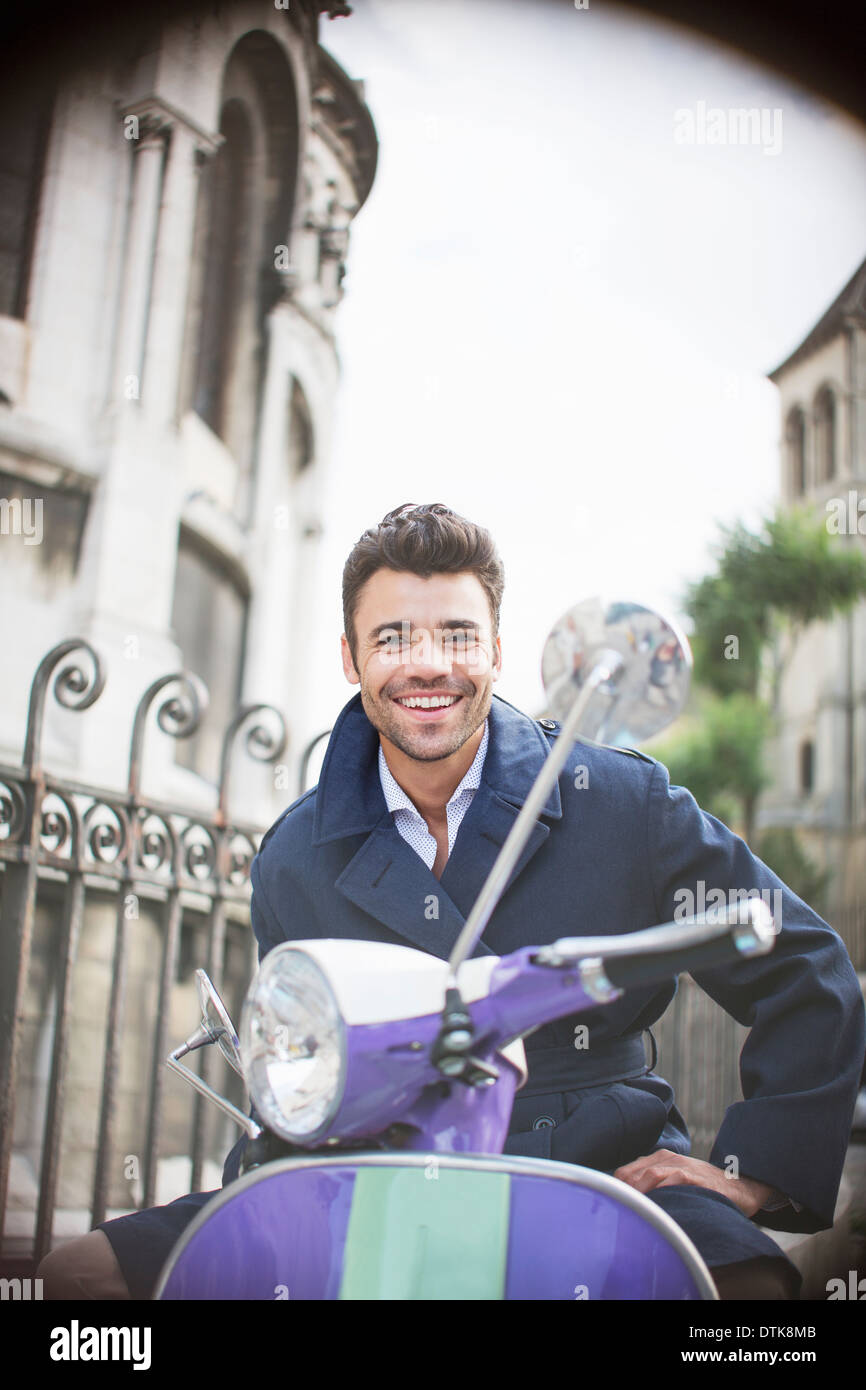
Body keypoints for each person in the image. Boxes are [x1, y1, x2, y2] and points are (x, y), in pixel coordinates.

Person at [38, 502, 866, 1301]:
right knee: (78, 1275)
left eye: (457, 634)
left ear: (498, 651)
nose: (427, 662)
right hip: (361, 1179)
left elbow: (806, 966)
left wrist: (753, 1172)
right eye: (392, 636)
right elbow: (295, 1071)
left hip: (602, 1174)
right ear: (351, 656)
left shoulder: (622, 802)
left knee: (744, 1290)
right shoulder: (292, 855)